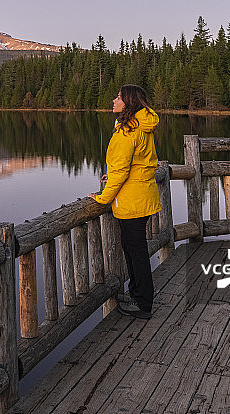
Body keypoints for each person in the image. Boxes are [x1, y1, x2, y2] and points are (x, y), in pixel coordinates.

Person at [88, 84, 161, 319]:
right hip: (141, 196)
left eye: (118, 97)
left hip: (132, 201)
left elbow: (121, 171)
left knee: (136, 252)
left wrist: (102, 198)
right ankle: (137, 293)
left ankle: (143, 304)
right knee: (133, 250)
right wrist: (112, 174)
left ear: (128, 103)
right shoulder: (139, 127)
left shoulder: (128, 131)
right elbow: (137, 162)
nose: (114, 99)